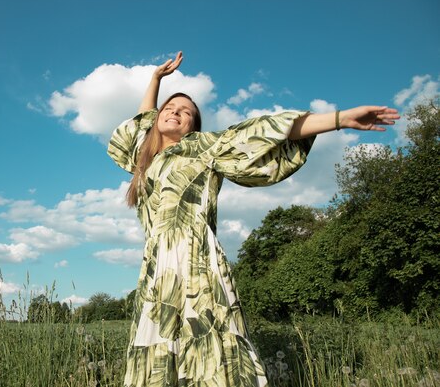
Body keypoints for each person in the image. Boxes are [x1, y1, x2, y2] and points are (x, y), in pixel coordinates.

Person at [107, 51, 399, 387]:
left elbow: (263, 131)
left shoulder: (205, 147)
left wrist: (340, 118)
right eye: (171, 108)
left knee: (211, 343)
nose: (176, 112)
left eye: (186, 112)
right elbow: (143, 121)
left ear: (194, 126)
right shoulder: (144, 157)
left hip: (196, 260)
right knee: (156, 353)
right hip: (156, 267)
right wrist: (156, 80)